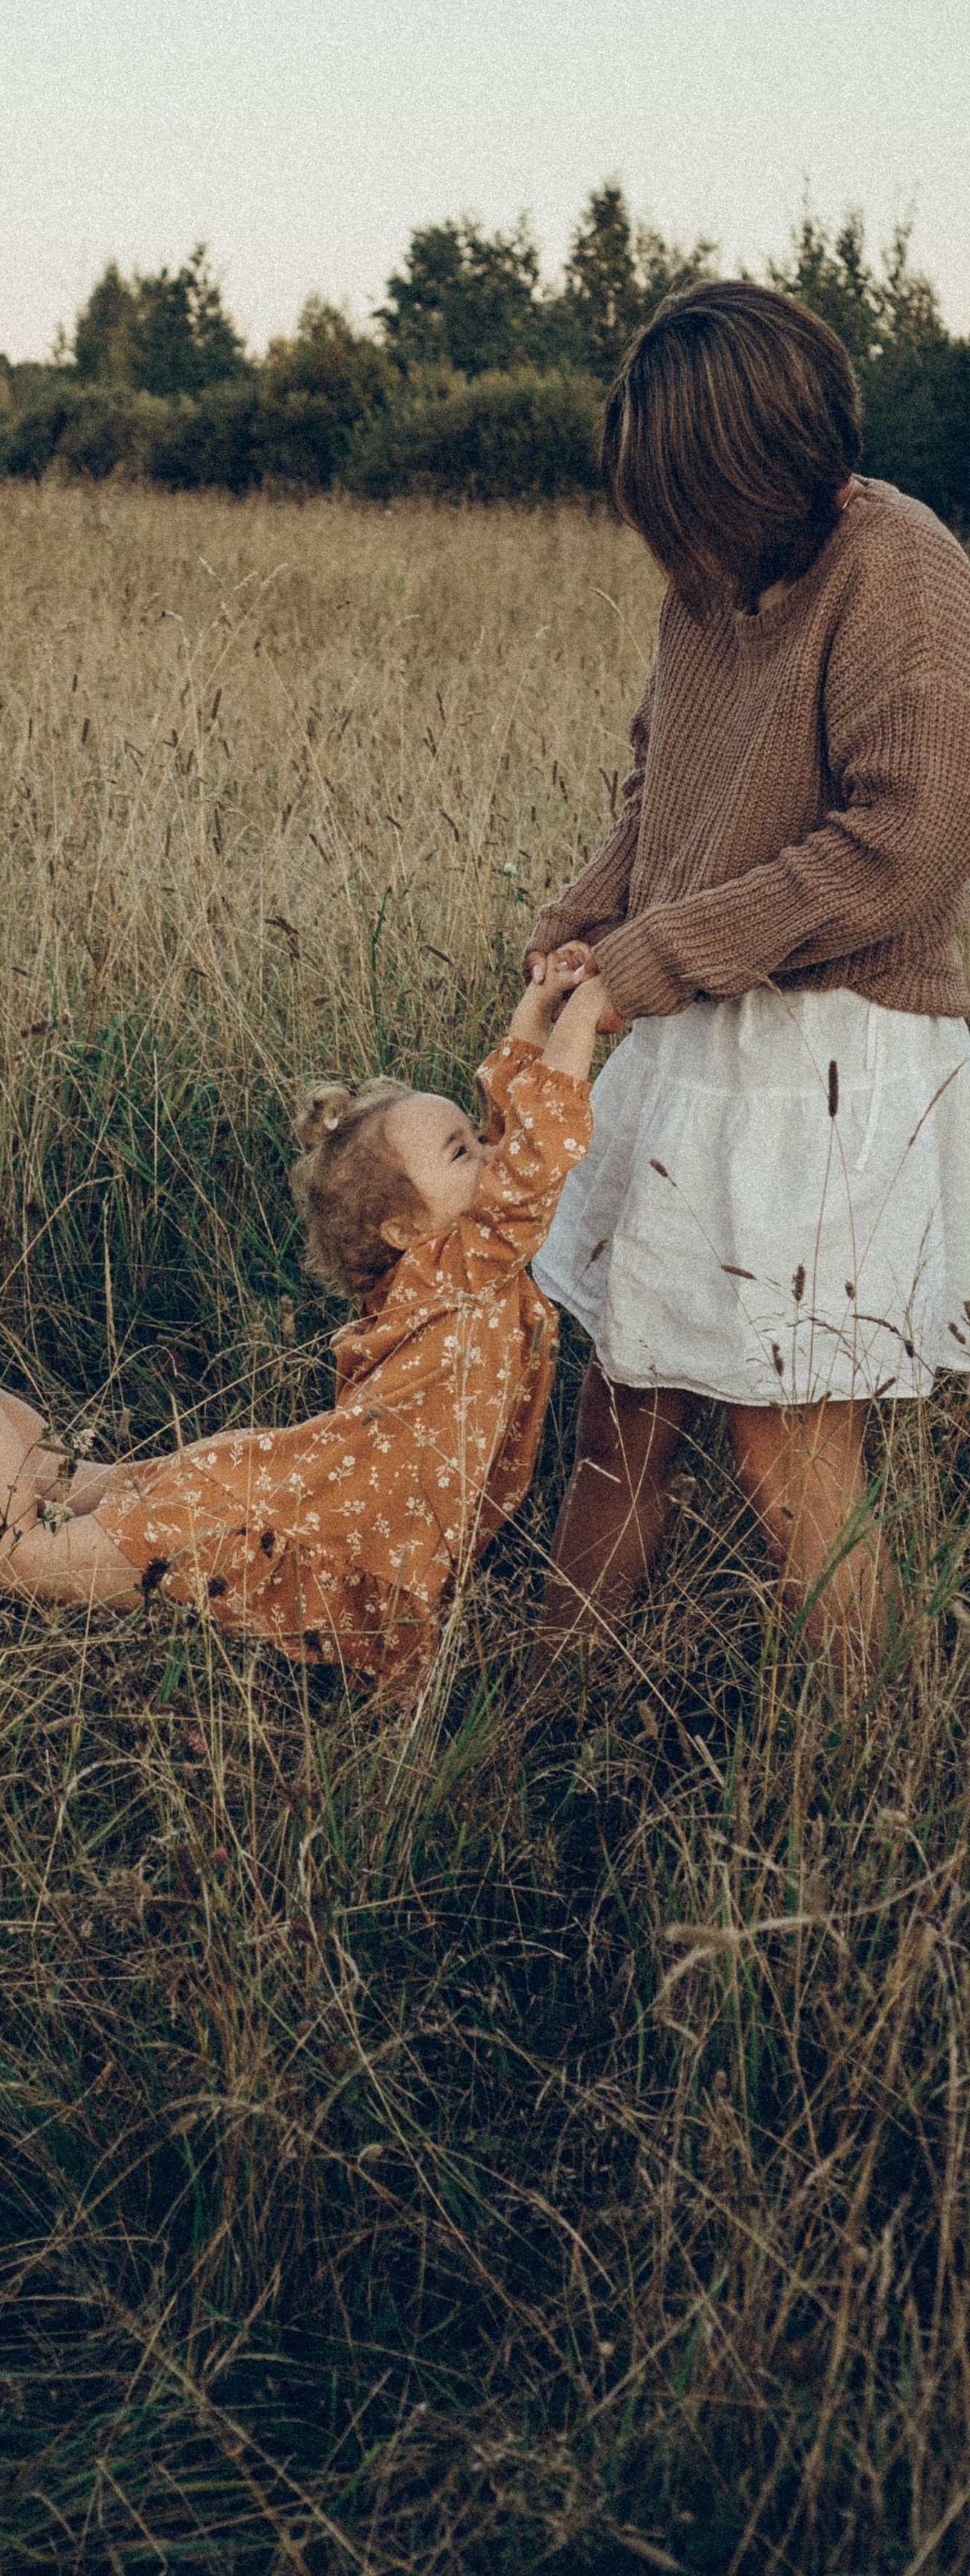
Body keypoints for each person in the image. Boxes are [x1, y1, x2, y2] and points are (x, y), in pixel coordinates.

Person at [524, 281, 970, 1672]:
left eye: (684, 497)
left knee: (789, 1449)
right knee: (624, 1405)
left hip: (830, 1058)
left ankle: (855, 1769)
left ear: (761, 468)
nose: (669, 535)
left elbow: (905, 848)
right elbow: (668, 786)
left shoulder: (900, 569)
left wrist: (648, 957)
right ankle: (549, 1703)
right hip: (698, 1028)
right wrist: (583, 919)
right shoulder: (711, 574)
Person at [0, 963, 607, 1702]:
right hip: (268, 1516)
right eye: (463, 1150)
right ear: (403, 1227)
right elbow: (536, 1154)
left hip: (279, 1488)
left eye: (476, 1139)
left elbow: (518, 1138)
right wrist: (580, 1014)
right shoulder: (461, 1265)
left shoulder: (445, 1267)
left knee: (62, 1481)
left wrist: (535, 1014)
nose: (492, 1152)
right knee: (25, 1557)